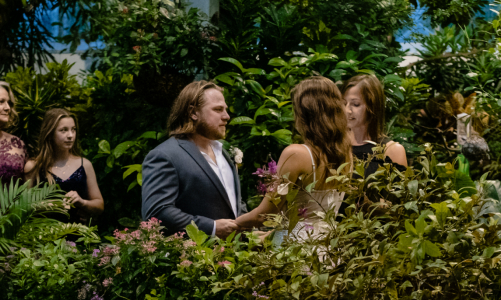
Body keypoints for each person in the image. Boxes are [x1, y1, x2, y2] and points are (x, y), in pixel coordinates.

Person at [236, 76, 350, 243]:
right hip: (328, 244)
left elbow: (265, 214)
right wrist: (271, 234)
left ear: (304, 113)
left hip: (297, 248)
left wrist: (233, 223)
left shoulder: (297, 153)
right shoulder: (345, 153)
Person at [141, 81, 244, 238]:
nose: (226, 116)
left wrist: (254, 233)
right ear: (193, 113)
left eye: (225, 110)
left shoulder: (225, 153)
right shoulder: (165, 155)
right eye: (218, 109)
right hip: (193, 258)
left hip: (237, 257)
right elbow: (157, 212)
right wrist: (212, 227)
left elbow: (234, 206)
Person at [28, 108, 104, 222]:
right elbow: (22, 207)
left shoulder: (84, 165)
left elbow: (99, 205)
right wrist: (45, 206)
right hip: (45, 236)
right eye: (63, 130)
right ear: (50, 133)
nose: (70, 135)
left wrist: (82, 202)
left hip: (79, 235)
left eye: (73, 130)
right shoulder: (34, 166)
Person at [341, 74, 407, 175]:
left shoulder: (392, 150)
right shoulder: (337, 146)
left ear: (372, 107)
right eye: (344, 103)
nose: (347, 110)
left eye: (356, 104)